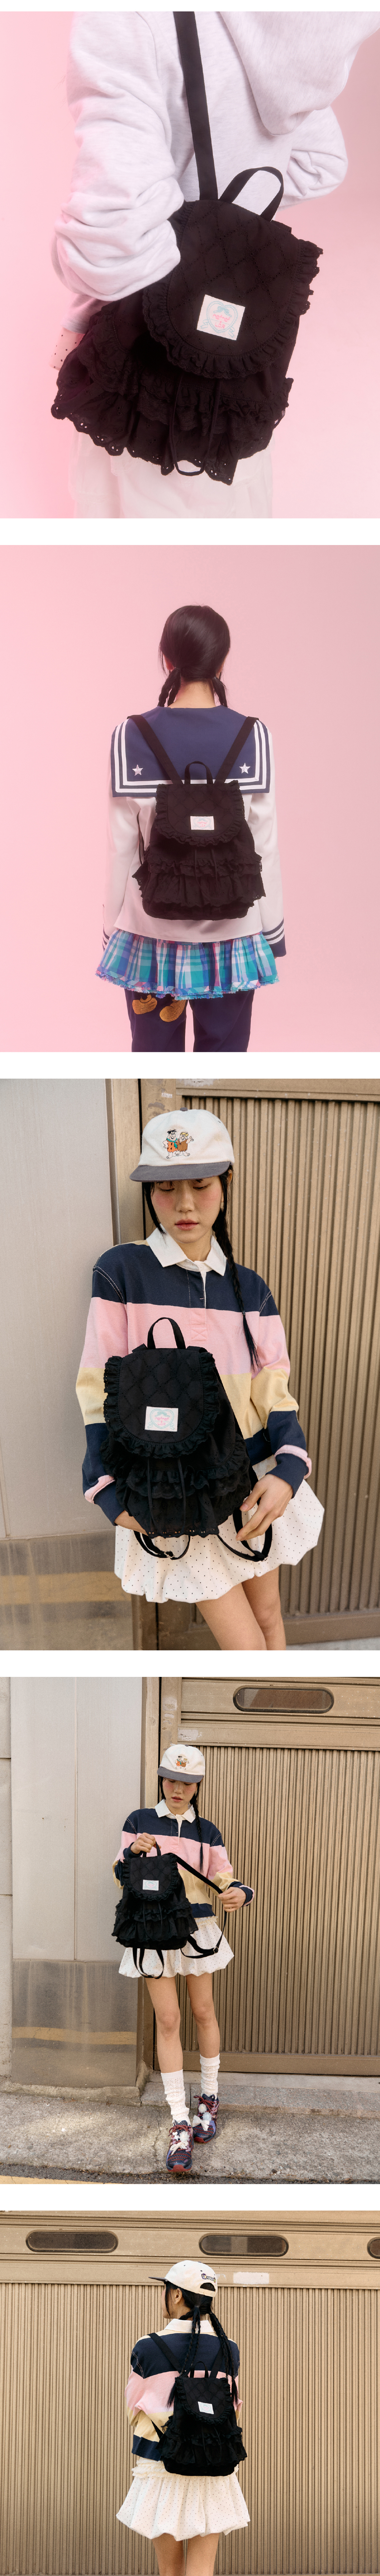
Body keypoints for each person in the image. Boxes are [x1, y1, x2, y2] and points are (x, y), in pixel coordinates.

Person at [51, 11, 379, 520]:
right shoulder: (303, 23)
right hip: (232, 410)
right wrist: (224, 235)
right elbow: (321, 162)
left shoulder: (131, 16)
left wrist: (181, 232)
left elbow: (114, 233)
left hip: (143, 392)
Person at [76, 1108, 323, 1651]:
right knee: (246, 1646)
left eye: (201, 1184)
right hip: (174, 1489)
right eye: (166, 1188)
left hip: (255, 1481)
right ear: (150, 1192)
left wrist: (289, 1469)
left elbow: (273, 1386)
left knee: (270, 1619)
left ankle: (278, 1705)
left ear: (225, 1183)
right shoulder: (122, 1271)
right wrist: (106, 1487)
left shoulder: (249, 1287)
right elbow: (97, 1388)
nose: (185, 1204)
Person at [99, 601, 284, 1055]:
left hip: (150, 933)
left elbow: (121, 847)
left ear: (167, 660)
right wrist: (273, 931)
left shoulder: (129, 736)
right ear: (222, 661)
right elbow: (265, 844)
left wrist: (110, 930)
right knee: (225, 1060)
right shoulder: (254, 736)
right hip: (235, 933)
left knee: (151, 1058)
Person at [117, 2254, 249, 2576]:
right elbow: (233, 2406)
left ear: (175, 2295)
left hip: (163, 2470)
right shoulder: (230, 2349)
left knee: (171, 2574)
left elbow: (133, 2408)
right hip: (214, 2471)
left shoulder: (148, 2347)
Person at [114, 1741, 252, 2174]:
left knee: (203, 2011)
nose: (178, 1789)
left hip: (198, 1927)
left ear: (198, 1786)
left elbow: (224, 1878)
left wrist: (241, 1893)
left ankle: (209, 2099)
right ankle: (179, 2121)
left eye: (188, 1783)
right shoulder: (139, 1821)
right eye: (172, 1780)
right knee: (169, 2020)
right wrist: (132, 1853)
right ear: (162, 1779)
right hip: (154, 1927)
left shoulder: (207, 1831)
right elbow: (119, 1874)